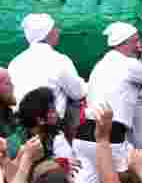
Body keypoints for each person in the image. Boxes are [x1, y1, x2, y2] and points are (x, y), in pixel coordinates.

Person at [73, 22, 142, 183]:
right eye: (136, 41)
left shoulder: (101, 64)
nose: (139, 45)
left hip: (84, 135)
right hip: (111, 136)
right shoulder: (129, 65)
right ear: (125, 42)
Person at [7, 13, 87, 148]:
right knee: (76, 101)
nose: (58, 31)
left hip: (19, 125)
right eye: (56, 28)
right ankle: (73, 146)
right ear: (48, 33)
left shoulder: (15, 62)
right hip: (48, 126)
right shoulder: (59, 60)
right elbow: (78, 93)